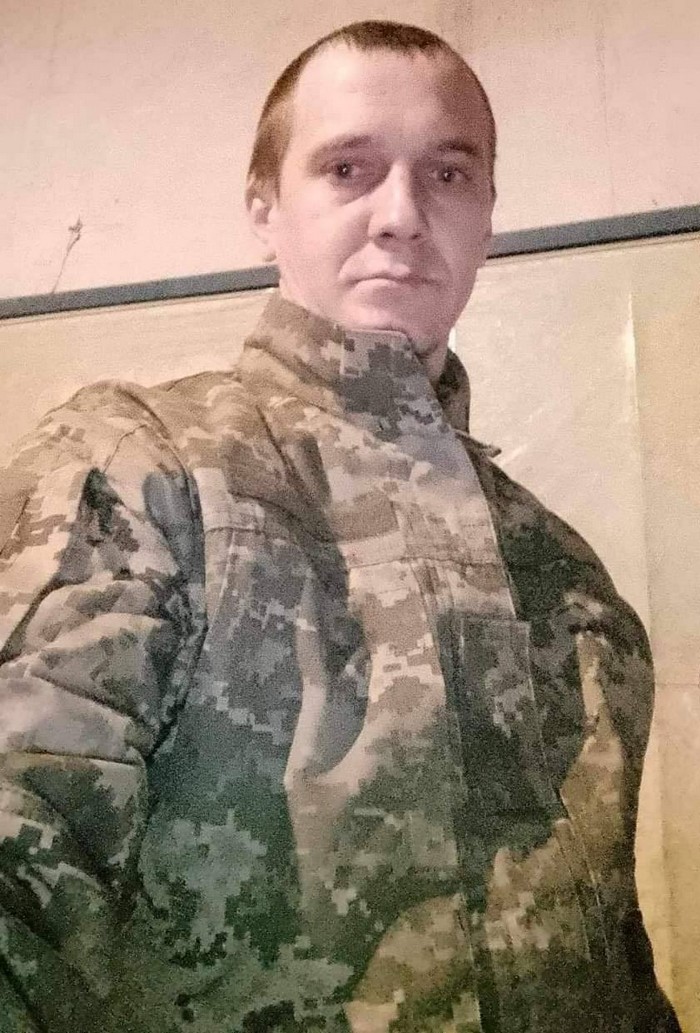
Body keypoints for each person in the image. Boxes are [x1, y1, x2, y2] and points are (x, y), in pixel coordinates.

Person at [0, 20, 680, 1033]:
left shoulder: (566, 576)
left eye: (447, 173)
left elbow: (613, 964)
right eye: (348, 169)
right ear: (264, 210)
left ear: (488, 216)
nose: (401, 215)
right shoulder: (141, 470)